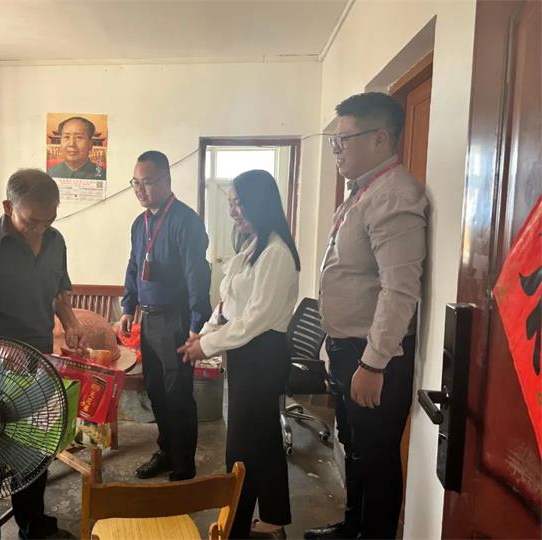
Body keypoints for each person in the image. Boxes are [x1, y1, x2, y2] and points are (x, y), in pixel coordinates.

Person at [304, 92, 428, 540]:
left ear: (380, 139)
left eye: (344, 140)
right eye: (334, 141)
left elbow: (399, 290)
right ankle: (351, 527)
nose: (336, 150)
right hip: (349, 348)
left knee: (375, 457)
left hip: (374, 356)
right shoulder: (363, 192)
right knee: (354, 446)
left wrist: (373, 363)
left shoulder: (395, 198)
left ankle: (371, 533)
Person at [0, 168, 87, 539]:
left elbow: (58, 294)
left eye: (49, 220)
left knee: (35, 450)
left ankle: (32, 525)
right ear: (8, 207)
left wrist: (70, 322)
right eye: (31, 221)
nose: (40, 229)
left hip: (38, 366)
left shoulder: (55, 241)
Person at [178, 169, 299, 539]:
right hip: (247, 353)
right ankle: (273, 516)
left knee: (244, 446)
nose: (232, 211)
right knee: (263, 439)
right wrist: (204, 332)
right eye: (230, 203)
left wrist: (207, 346)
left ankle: (237, 523)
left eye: (238, 203)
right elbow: (228, 303)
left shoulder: (276, 253)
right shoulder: (254, 244)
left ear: (259, 203)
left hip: (262, 355)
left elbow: (254, 320)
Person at [119, 150, 212, 482]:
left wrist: (197, 326)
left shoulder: (186, 221)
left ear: (166, 180)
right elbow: (134, 266)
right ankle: (167, 451)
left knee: (177, 393)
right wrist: (127, 307)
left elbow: (197, 276)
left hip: (177, 321)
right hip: (149, 320)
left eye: (147, 182)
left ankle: (184, 462)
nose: (140, 189)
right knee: (156, 390)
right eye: (135, 183)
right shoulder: (139, 223)